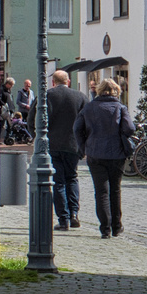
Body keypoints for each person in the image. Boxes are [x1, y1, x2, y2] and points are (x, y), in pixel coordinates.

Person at [75, 77, 136, 238]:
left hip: (95, 154)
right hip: (117, 154)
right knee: (115, 190)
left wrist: (84, 147)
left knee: (101, 191)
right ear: (116, 91)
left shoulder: (89, 108)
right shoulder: (120, 107)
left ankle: (105, 229)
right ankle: (116, 226)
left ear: (99, 90)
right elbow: (130, 128)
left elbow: (77, 129)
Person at [45, 71, 87, 230]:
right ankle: (74, 214)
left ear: (53, 82)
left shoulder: (47, 96)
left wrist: (39, 137)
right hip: (73, 145)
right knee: (72, 178)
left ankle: (63, 219)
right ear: (68, 81)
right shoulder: (80, 97)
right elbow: (87, 122)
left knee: (59, 181)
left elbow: (33, 118)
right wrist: (84, 143)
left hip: (53, 144)